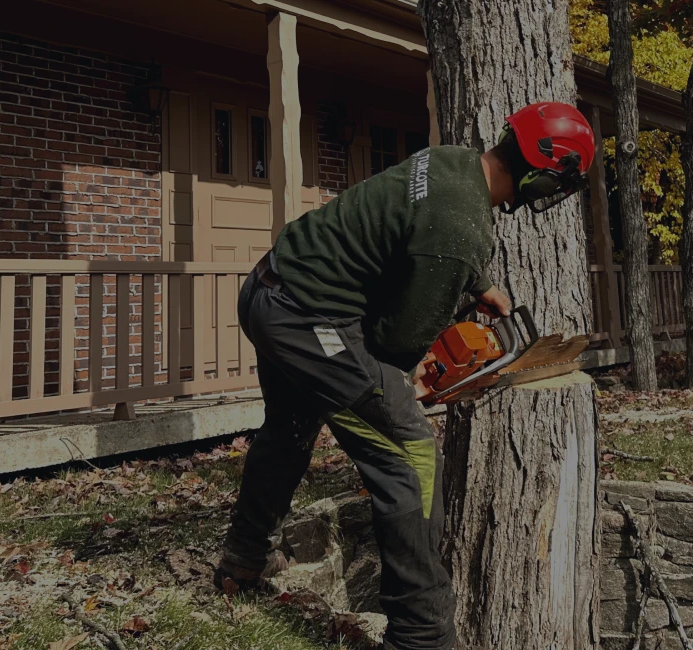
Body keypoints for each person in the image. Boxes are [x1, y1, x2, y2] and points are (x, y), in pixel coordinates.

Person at [216, 102, 595, 650]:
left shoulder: (454, 162)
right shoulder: (461, 232)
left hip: (271, 287)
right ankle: (421, 635)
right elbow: (394, 345)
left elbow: (422, 226)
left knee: (290, 428)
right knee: (409, 455)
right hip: (306, 317)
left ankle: (245, 557)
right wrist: (403, 386)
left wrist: (474, 283)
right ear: (541, 172)